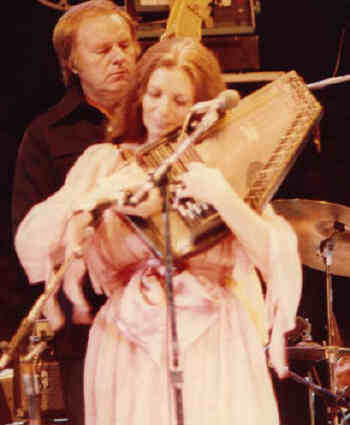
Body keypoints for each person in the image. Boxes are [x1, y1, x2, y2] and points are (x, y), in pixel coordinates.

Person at [15, 37, 303, 425]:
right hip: (127, 344)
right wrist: (87, 209)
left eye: (179, 101)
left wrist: (223, 198)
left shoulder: (225, 167)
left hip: (212, 342)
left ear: (201, 107)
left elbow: (276, 257)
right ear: (139, 95)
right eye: (154, 94)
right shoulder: (105, 164)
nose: (162, 109)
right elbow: (35, 241)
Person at [11, 1, 140, 423]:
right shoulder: (46, 135)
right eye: (103, 50)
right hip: (89, 332)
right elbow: (29, 235)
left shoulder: (163, 119)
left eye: (125, 44)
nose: (120, 57)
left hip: (168, 321)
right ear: (72, 62)